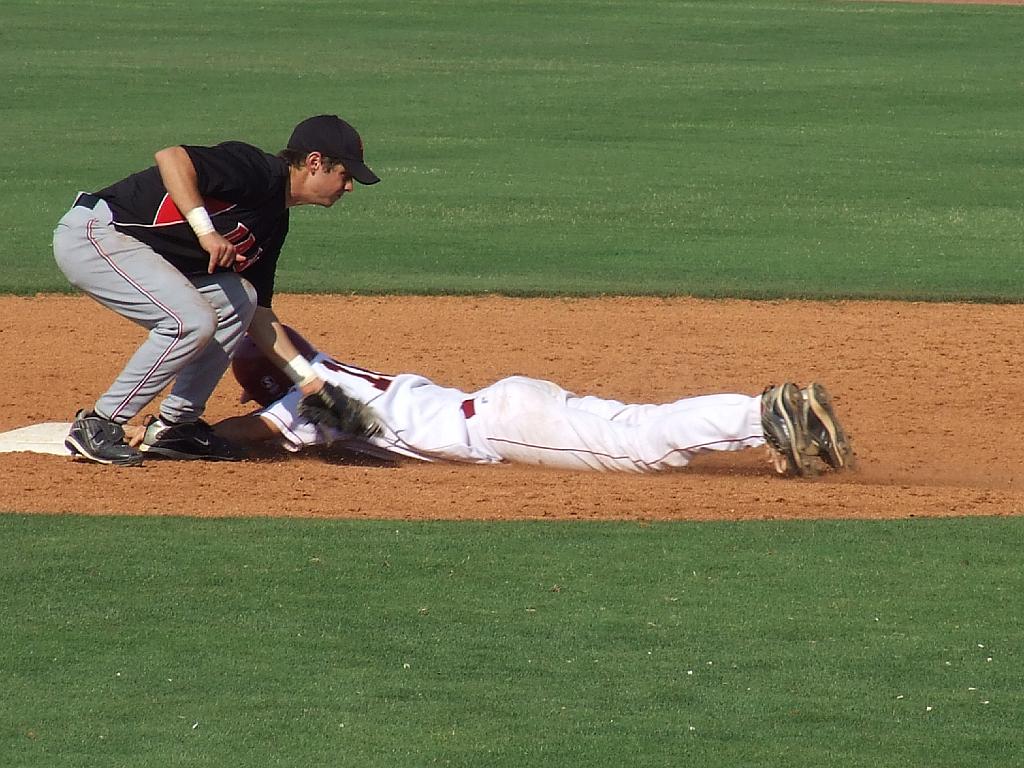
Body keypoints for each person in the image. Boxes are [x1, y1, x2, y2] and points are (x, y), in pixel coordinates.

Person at [53, 115, 380, 467]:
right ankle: (99, 423)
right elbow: (171, 157)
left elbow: (259, 317)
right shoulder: (260, 171)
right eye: (345, 175)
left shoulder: (273, 222)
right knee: (189, 320)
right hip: (96, 234)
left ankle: (175, 427)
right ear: (315, 163)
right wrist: (206, 232)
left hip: (130, 249)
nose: (348, 188)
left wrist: (309, 381)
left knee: (241, 299)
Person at [207, 326, 853, 476]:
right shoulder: (320, 371)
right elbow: (268, 327)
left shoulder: (307, 403)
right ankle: (776, 419)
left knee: (637, 445)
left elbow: (250, 432)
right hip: (506, 404)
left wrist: (179, 436)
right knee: (635, 425)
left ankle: (763, 414)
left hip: (505, 427)